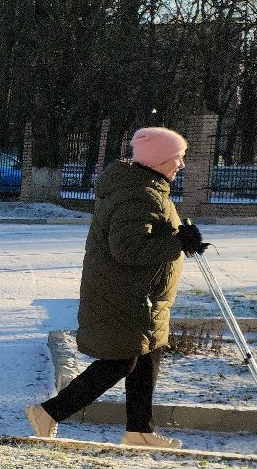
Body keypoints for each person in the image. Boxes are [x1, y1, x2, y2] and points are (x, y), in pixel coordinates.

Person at [26, 126, 206, 448]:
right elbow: (127, 248)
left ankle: (140, 431)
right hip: (123, 295)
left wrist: (181, 239)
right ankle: (48, 412)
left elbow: (149, 237)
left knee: (147, 356)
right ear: (159, 160)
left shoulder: (149, 189)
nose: (181, 164)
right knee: (121, 360)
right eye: (177, 157)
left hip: (141, 295)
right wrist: (178, 243)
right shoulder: (139, 194)